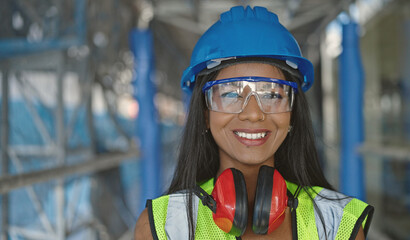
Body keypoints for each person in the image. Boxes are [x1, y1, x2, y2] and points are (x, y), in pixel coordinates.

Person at [135, 5, 374, 240]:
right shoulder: (164, 227)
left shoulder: (337, 224)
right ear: (205, 113)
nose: (253, 113)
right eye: (230, 94)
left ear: (292, 114)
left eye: (272, 95)